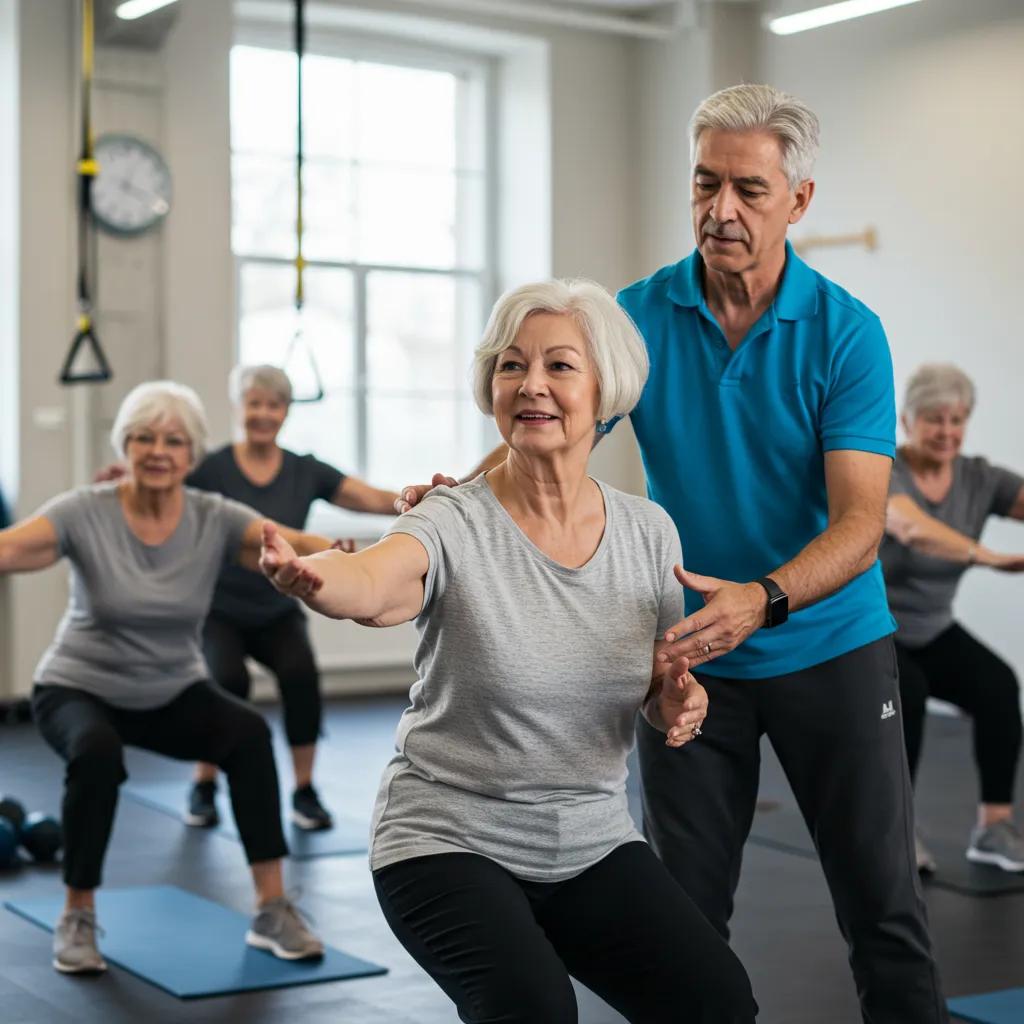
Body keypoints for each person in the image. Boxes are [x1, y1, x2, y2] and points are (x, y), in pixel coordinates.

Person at [399, 85, 948, 1023]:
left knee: (884, 911)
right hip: (688, 658)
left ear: (799, 201)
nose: (720, 209)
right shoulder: (638, 315)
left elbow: (861, 525)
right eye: (704, 184)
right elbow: (547, 430)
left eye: (749, 190)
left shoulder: (846, 333)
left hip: (831, 648)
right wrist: (458, 499)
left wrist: (762, 598)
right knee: (683, 929)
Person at [260, 279, 758, 1024]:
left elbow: (656, 689)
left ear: (605, 390)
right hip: (445, 838)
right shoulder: (451, 518)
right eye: (511, 365)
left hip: (588, 840)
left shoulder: (648, 531)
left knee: (718, 1002)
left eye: (559, 366)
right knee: (533, 1009)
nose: (531, 384)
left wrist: (678, 701)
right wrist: (317, 578)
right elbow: (375, 581)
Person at [0, 381, 327, 974]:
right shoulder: (83, 510)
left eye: (173, 441)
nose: (157, 451)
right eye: (143, 437)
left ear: (192, 453)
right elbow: (10, 548)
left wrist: (354, 553)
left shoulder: (213, 517)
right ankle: (77, 915)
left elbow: (290, 542)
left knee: (249, 735)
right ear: (124, 445)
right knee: (96, 752)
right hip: (78, 687)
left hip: (170, 689)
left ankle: (272, 908)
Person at [184, 365, 398, 832]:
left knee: (300, 676)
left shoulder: (304, 469)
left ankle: (304, 790)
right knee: (225, 681)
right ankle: (204, 782)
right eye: (254, 403)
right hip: (220, 609)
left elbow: (369, 498)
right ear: (239, 408)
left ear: (285, 412)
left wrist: (426, 498)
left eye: (273, 405)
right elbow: (167, 497)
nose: (263, 413)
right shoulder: (213, 468)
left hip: (277, 608)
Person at [882, 363, 1024, 874]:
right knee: (910, 696)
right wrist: (989, 557)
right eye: (933, 419)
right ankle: (897, 833)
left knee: (998, 687)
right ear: (907, 421)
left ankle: (993, 828)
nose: (946, 431)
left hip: (934, 627)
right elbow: (913, 528)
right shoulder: (885, 471)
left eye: (956, 419)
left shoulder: (979, 478)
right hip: (877, 629)